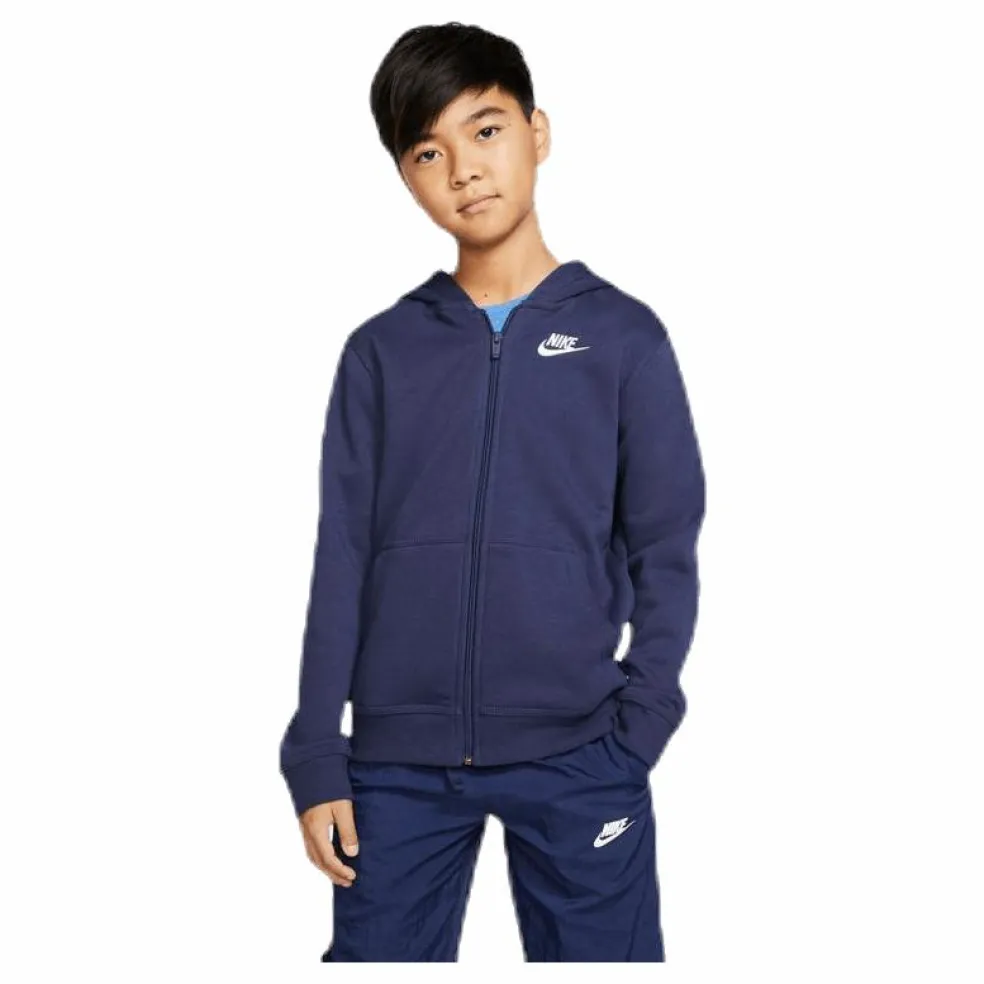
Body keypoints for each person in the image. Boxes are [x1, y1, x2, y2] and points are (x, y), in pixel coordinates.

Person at [278, 21, 706, 962]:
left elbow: (666, 545)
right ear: (406, 177)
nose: (464, 169)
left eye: (485, 130)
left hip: (581, 750)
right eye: (428, 152)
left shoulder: (624, 339)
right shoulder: (382, 351)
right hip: (395, 764)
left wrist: (642, 724)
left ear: (537, 133)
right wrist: (315, 751)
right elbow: (342, 553)